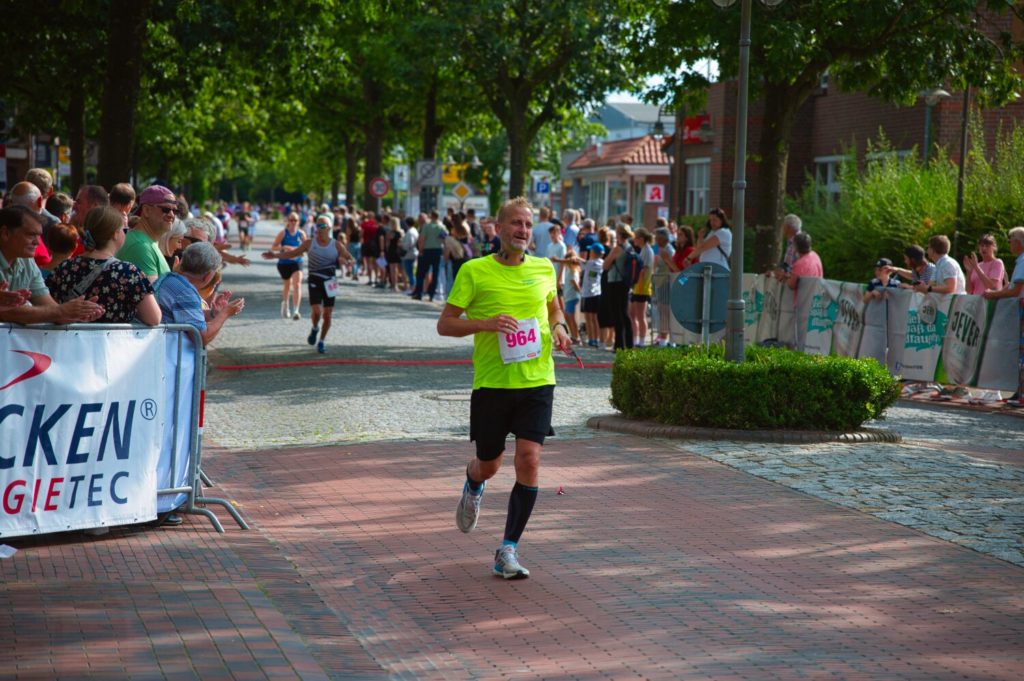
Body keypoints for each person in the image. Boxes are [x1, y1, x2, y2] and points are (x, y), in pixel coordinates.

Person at [437, 197, 572, 580]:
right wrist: (485, 323)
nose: (523, 230)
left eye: (528, 225)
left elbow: (554, 308)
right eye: (515, 223)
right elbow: (445, 324)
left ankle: (508, 548)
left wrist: (560, 329)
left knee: (529, 459)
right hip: (493, 383)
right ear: (498, 228)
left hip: (537, 379)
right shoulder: (474, 270)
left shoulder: (544, 267)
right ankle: (473, 482)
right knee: (490, 464)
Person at [48, 206, 161, 325]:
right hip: (114, 338)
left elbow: (48, 310)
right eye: (124, 230)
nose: (126, 234)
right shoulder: (129, 273)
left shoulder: (64, 268)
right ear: (115, 234)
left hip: (67, 337)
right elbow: (154, 318)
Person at [263, 216, 355, 353]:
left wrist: (348, 262)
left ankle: (322, 341)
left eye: (323, 226)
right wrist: (275, 255)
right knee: (317, 311)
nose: (320, 229)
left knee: (328, 314)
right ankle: (315, 328)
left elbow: (350, 258)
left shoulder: (336, 244)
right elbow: (293, 253)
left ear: (329, 228)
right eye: (318, 226)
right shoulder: (309, 243)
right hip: (315, 280)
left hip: (330, 282)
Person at [0, 206, 104, 324]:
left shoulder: (27, 261)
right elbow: (7, 312)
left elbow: (51, 308)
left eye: (38, 236)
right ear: (5, 233)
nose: (37, 242)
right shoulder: (26, 260)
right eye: (31, 235)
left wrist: (76, 314)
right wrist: (62, 312)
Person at [156, 241, 245, 348]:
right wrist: (225, 313)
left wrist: (213, 313)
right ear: (208, 276)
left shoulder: (170, 279)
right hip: (167, 353)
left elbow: (186, 315)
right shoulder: (186, 292)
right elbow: (201, 338)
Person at [982, 226, 1024, 404]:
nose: (1009, 243)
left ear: (1019, 242)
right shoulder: (1020, 261)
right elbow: (1012, 287)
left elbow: (1015, 291)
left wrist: (994, 295)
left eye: (1010, 240)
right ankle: (1019, 391)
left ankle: (1021, 394)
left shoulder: (1023, 261)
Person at [116, 185, 175, 282]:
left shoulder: (146, 242)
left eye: (174, 210)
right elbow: (153, 291)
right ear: (147, 210)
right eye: (166, 209)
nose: (171, 215)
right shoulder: (141, 246)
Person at [602, 224, 636, 350]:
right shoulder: (630, 247)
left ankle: (619, 344)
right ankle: (629, 343)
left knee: (617, 314)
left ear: (620, 234)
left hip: (615, 283)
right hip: (625, 283)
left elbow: (605, 265)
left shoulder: (617, 248)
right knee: (625, 313)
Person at [271, 212, 307, 319]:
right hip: (284, 263)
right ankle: (285, 304)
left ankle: (296, 310)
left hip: (297, 261)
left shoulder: (301, 234)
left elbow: (306, 247)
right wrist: (284, 247)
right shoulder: (283, 233)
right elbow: (274, 247)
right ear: (288, 221)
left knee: (297, 284)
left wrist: (301, 251)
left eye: (295, 220)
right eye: (291, 220)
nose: (293, 222)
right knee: (287, 285)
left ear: (298, 222)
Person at [627, 227, 656, 347]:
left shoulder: (648, 251)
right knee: (632, 314)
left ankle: (642, 340)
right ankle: (635, 338)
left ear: (641, 239)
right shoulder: (643, 250)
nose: (634, 240)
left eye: (636, 237)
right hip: (637, 288)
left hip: (642, 288)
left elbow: (643, 270)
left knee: (640, 315)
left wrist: (635, 283)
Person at [652, 227, 678, 347]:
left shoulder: (669, 250)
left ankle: (668, 340)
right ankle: (662, 338)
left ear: (664, 238)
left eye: (658, 237)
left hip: (666, 284)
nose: (656, 239)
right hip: (660, 283)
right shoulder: (661, 249)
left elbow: (671, 266)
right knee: (662, 311)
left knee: (666, 312)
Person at [412, 210, 446, 301]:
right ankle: (431, 294)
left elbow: (422, 239)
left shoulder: (426, 226)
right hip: (437, 250)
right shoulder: (442, 227)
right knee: (435, 273)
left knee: (421, 273)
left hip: (427, 250)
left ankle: (419, 293)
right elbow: (443, 240)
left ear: (431, 216)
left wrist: (421, 250)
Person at [579, 242, 605, 347]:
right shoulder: (602, 262)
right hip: (597, 293)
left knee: (588, 318)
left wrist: (575, 257)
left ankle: (591, 339)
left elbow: (581, 263)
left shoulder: (590, 263)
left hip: (587, 294)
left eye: (591, 251)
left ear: (594, 252)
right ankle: (597, 339)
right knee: (595, 319)